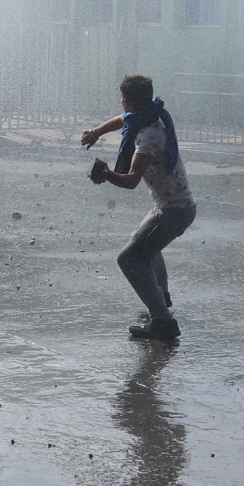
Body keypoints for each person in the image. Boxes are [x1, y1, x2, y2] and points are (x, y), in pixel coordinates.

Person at [80, 74, 196, 342]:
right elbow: (122, 120)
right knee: (144, 244)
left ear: (126, 100)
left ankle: (163, 323)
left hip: (174, 211)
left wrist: (107, 174)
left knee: (131, 258)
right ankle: (161, 297)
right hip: (174, 205)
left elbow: (131, 181)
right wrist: (96, 132)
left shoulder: (148, 137)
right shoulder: (149, 114)